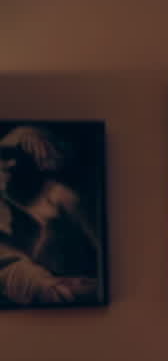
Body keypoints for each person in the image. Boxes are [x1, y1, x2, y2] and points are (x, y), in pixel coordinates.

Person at [0, 125, 99, 305]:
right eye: (5, 155)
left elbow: (101, 247)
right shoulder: (5, 202)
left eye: (20, 156)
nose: (10, 164)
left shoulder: (62, 196)